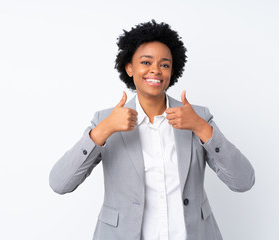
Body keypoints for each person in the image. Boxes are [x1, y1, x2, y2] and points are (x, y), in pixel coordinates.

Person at [49, 20, 255, 240]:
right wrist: (103, 130)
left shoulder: (198, 117)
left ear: (172, 71)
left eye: (164, 64)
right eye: (146, 62)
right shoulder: (106, 120)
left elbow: (243, 181)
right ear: (129, 68)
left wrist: (201, 128)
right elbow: (60, 183)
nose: (155, 70)